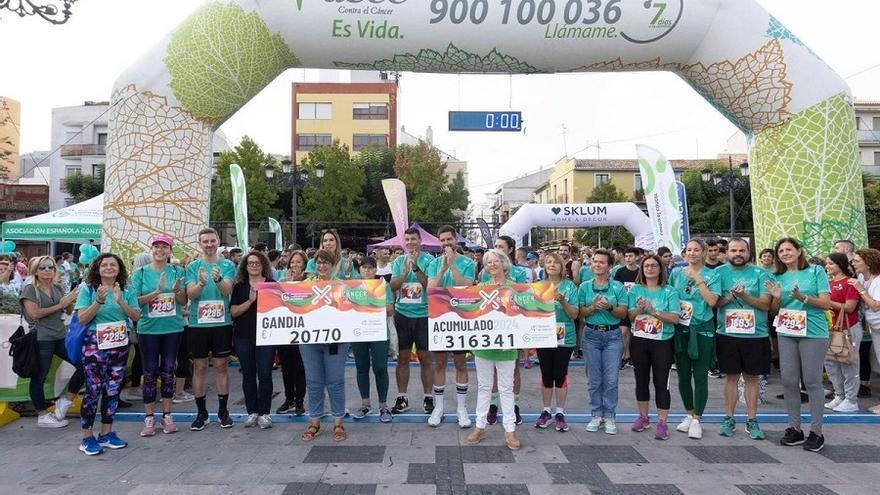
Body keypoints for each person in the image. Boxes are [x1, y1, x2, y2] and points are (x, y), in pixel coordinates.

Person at [766, 237, 831, 452]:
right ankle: (795, 428)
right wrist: (776, 298)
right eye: (781, 251)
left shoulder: (815, 271)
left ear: (799, 250)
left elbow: (826, 304)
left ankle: (817, 431)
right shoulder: (777, 276)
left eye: (788, 249)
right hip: (786, 331)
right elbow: (775, 309)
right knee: (788, 380)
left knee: (812, 381)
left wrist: (803, 297)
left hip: (813, 331)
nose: (785, 253)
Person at [74, 253, 141, 455]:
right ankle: (87, 436)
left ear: (119, 269)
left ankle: (106, 433)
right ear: (97, 268)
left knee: (113, 390)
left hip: (119, 345)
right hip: (95, 345)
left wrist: (121, 301)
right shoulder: (88, 289)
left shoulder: (127, 289)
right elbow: (83, 318)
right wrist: (99, 301)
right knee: (93, 390)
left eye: (113, 265)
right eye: (105, 265)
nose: (109, 268)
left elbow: (137, 315)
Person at [713, 238, 772, 439]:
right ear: (727, 252)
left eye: (742, 250)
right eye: (733, 250)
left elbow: (766, 305)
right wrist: (729, 297)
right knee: (730, 377)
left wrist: (745, 296)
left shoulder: (761, 273)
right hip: (727, 334)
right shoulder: (718, 273)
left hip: (755, 334)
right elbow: (713, 302)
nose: (738, 254)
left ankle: (752, 420)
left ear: (748, 252)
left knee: (751, 378)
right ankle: (728, 418)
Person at [131, 235, 187, 436]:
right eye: (156, 247)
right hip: (148, 329)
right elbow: (135, 301)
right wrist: (156, 292)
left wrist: (177, 290)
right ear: (151, 249)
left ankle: (167, 415)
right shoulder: (140, 273)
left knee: (168, 369)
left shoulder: (177, 271)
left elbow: (182, 301)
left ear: (170, 251)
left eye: (164, 247)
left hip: (172, 328)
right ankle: (148, 419)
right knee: (150, 371)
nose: (160, 250)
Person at [466, 249, 520, 450]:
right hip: (484, 346)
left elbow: (521, 315)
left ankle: (510, 430)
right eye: (489, 262)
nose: (493, 265)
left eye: (496, 261)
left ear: (504, 263)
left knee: (506, 388)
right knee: (484, 387)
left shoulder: (515, 288)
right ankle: (480, 426)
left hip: (507, 346)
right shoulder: (480, 288)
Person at [21, 256, 82, 428]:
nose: (47, 270)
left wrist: (70, 301)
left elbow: (66, 309)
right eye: (42, 268)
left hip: (60, 335)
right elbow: (34, 314)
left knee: (83, 364)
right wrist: (61, 304)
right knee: (39, 376)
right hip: (42, 338)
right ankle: (42, 415)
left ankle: (65, 401)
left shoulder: (58, 287)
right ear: (35, 271)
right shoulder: (30, 289)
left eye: (50, 267)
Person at [185, 227, 237, 430]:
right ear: (200, 244)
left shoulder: (227, 265)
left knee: (222, 366)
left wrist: (216, 279)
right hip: (198, 324)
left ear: (218, 242)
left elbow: (227, 290)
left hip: (222, 323)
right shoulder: (193, 267)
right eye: (205, 241)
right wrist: (200, 283)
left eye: (212, 241)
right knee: (199, 367)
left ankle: (223, 412)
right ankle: (201, 413)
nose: (209, 244)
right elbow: (190, 295)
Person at [669, 239, 720, 440]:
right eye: (689, 250)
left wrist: (698, 279)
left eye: (696, 250)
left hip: (702, 329)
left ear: (704, 252)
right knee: (682, 376)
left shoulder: (712, 274)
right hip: (681, 329)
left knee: (700, 375)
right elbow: (670, 297)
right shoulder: (675, 273)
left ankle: (698, 418)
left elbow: (712, 301)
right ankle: (689, 413)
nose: (692, 253)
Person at [426, 225, 477, 428]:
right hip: (439, 319)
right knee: (438, 363)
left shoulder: (468, 262)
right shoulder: (434, 263)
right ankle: (438, 407)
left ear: (455, 240)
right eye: (443, 240)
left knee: (460, 363)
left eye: (449, 239)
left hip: (460, 319)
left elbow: (466, 286)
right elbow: (431, 288)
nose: (446, 243)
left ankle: (461, 408)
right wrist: (443, 268)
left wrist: (453, 265)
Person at [627, 254, 680, 440]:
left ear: (660, 269)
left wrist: (654, 311)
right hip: (640, 340)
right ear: (642, 269)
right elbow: (631, 316)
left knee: (661, 382)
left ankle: (662, 422)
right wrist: (640, 309)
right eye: (646, 266)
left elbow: (675, 318)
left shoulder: (669, 291)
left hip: (662, 342)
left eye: (653, 265)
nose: (649, 268)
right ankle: (643, 417)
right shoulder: (635, 290)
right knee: (641, 379)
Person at [300, 249, 350, 442]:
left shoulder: (341, 286)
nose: (322, 266)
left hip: (336, 341)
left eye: (325, 262)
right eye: (318, 262)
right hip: (310, 341)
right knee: (313, 381)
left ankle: (338, 422)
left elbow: (350, 312)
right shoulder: (305, 286)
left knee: (336, 381)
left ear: (332, 265)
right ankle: (315, 422)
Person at [576, 249, 628, 434]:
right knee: (594, 380)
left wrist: (609, 307)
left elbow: (624, 313)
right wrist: (592, 308)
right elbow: (579, 312)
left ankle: (610, 415)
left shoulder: (618, 287)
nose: (597, 265)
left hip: (613, 336)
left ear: (610, 266)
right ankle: (596, 414)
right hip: (591, 335)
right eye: (594, 261)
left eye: (601, 262)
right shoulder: (584, 287)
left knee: (612, 379)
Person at [529, 253, 578, 432]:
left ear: (562, 267)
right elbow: (529, 312)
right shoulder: (538, 287)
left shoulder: (570, 287)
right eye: (548, 262)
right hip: (543, 336)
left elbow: (574, 314)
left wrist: (563, 301)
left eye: (556, 263)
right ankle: (546, 411)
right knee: (546, 373)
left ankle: (560, 412)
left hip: (565, 337)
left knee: (560, 373)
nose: (552, 265)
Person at [389, 227, 434, 414]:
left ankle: (428, 398)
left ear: (419, 240)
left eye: (413, 239)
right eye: (407, 240)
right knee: (403, 358)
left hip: (423, 315)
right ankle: (402, 397)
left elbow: (429, 287)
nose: (410, 243)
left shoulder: (430, 260)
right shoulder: (399, 260)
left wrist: (415, 267)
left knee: (425, 358)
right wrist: (405, 271)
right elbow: (392, 286)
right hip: (403, 314)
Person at [230, 251, 276, 429]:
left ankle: (265, 413)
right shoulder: (240, 286)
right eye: (250, 263)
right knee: (248, 374)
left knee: (265, 374)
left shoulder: (271, 285)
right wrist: (250, 301)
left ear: (263, 265)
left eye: (257, 263)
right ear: (245, 266)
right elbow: (233, 311)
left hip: (267, 337)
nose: (254, 266)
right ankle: (252, 412)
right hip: (244, 337)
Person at [351, 256, 393, 423]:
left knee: (380, 367)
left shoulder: (384, 285)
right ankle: (365, 404)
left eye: (370, 268)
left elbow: (390, 309)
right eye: (364, 267)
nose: (367, 270)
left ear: (376, 270)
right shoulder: (353, 286)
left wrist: (372, 302)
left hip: (378, 331)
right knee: (361, 367)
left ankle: (383, 405)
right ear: (359, 270)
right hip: (359, 331)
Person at [823, 252, 861, 413]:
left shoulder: (850, 283)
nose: (827, 266)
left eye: (831, 263)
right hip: (831, 329)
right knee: (831, 363)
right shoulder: (828, 283)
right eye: (827, 264)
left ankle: (851, 400)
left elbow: (850, 307)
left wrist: (827, 302)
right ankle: (839, 395)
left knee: (848, 364)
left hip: (848, 328)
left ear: (840, 264)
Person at [275, 251, 308, 416]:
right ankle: (289, 398)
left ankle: (300, 400)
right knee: (286, 366)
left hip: (302, 331)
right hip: (285, 330)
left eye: (298, 262)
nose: (294, 265)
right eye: (292, 262)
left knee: (300, 367)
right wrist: (287, 285)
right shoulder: (281, 280)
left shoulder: (309, 282)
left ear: (304, 265)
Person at [849, 248, 880, 413]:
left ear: (868, 263)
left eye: (857, 261)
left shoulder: (878, 280)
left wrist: (861, 289)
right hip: (875, 327)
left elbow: (875, 305)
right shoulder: (862, 276)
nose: (853, 263)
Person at [614, 247, 640, 370]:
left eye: (631, 256)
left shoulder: (641, 271)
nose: (628, 259)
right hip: (624, 305)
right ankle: (624, 356)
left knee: (634, 332)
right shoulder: (620, 272)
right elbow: (616, 287)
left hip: (637, 306)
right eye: (627, 256)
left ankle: (632, 356)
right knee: (623, 331)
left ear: (637, 257)